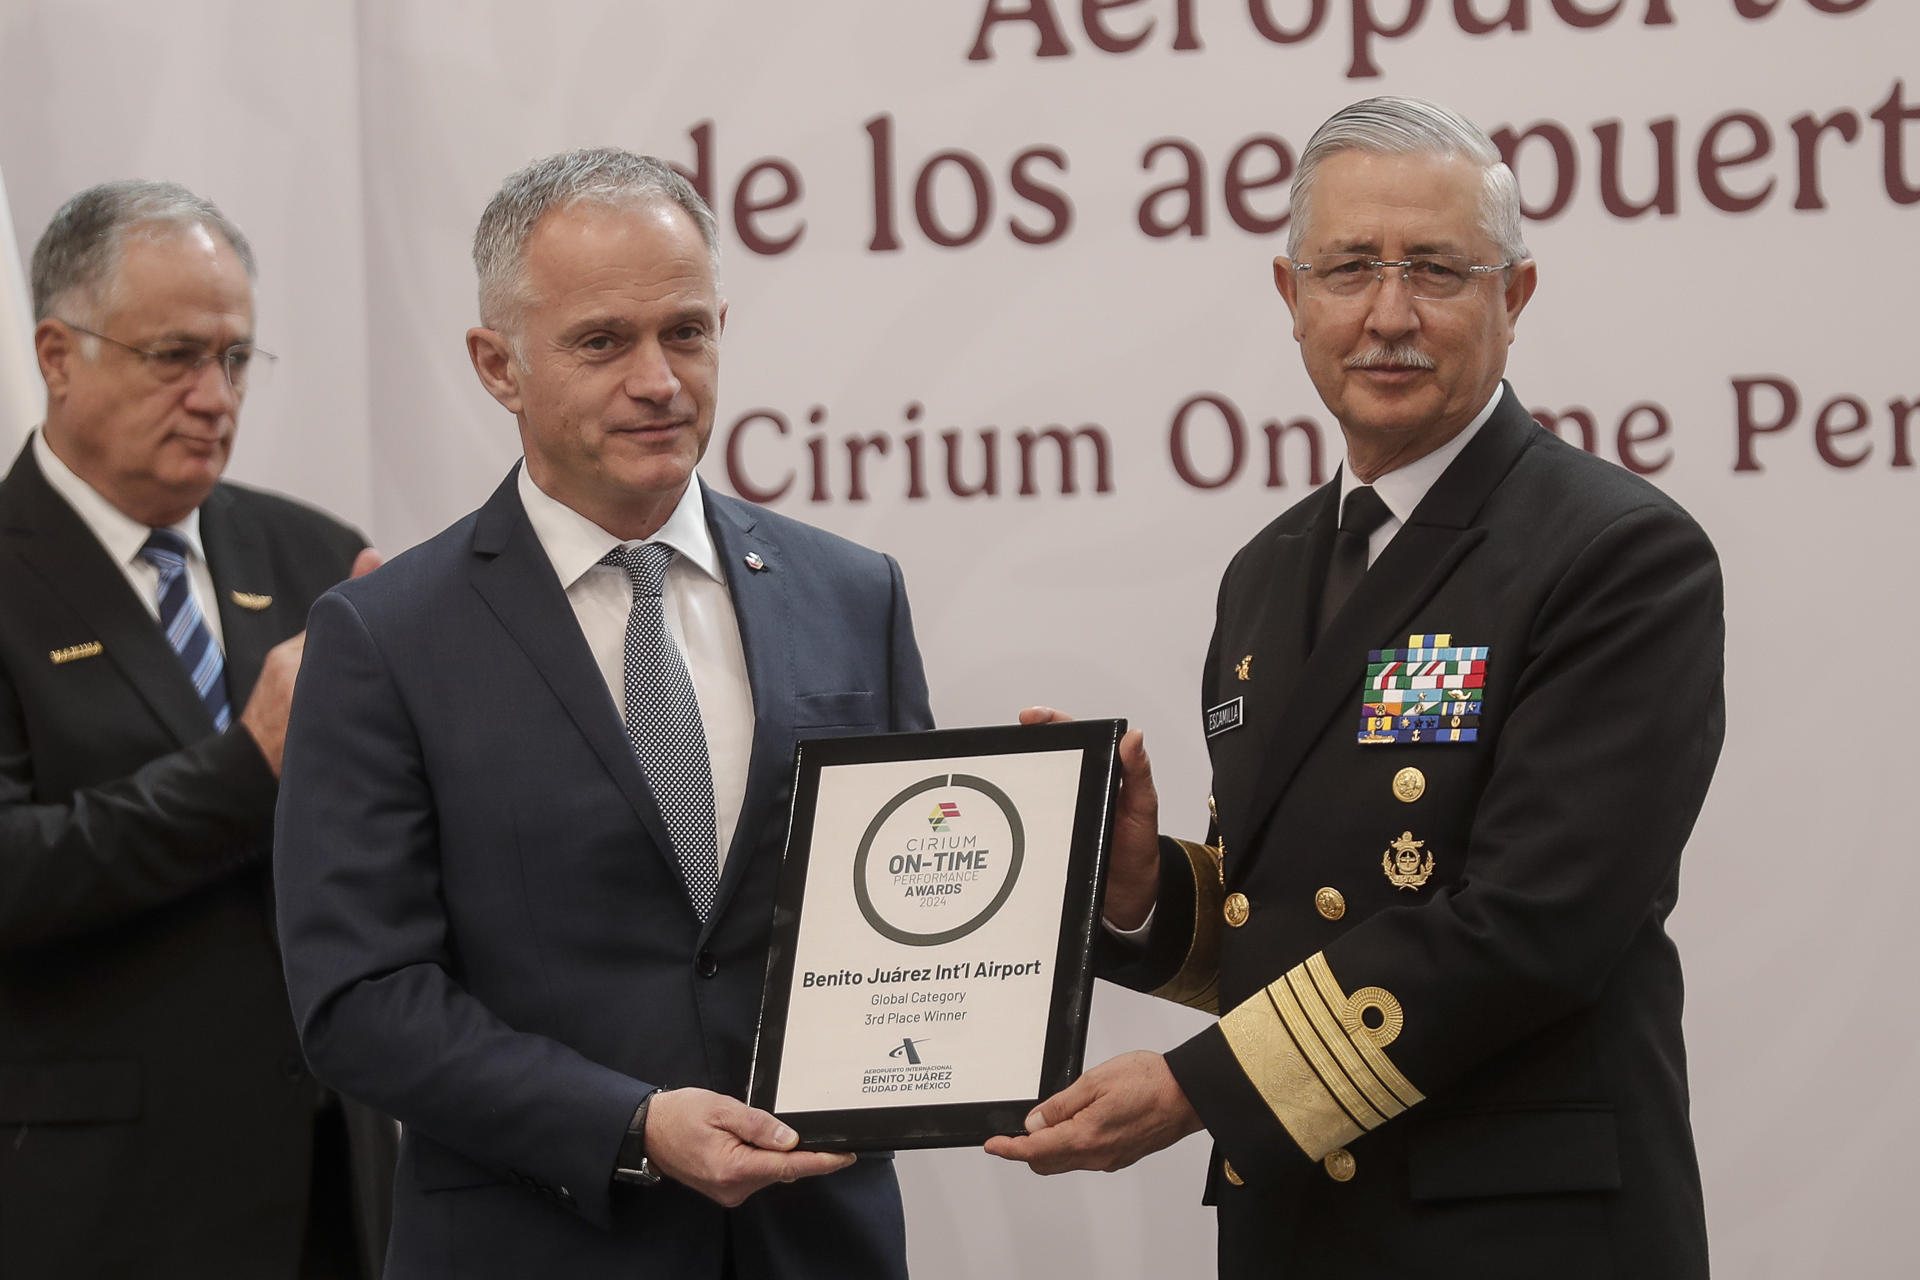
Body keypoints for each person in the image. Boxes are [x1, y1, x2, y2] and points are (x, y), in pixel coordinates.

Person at [988, 97, 1723, 1279]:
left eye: (1437, 269)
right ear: (1291, 297)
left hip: (1519, 1232)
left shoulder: (1616, 553)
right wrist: (1142, 891)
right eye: (1348, 269)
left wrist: (1199, 1087)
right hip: (1301, 1229)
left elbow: (1533, 924)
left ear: (1513, 298)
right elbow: (1287, 910)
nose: (1389, 313)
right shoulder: (1268, 571)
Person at [273, 149, 932, 1279]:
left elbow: (919, 902)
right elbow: (360, 1000)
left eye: (685, 331)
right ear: (498, 364)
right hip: (534, 1244)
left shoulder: (852, 592)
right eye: (601, 341)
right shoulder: (382, 638)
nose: (659, 379)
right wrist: (630, 1123)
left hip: (815, 1244)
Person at [0, 181, 393, 1277]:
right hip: (101, 1198)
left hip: (334, 1177)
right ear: (58, 352)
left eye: (235, 359)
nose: (214, 395)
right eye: (175, 355)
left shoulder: (317, 558)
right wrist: (244, 763)